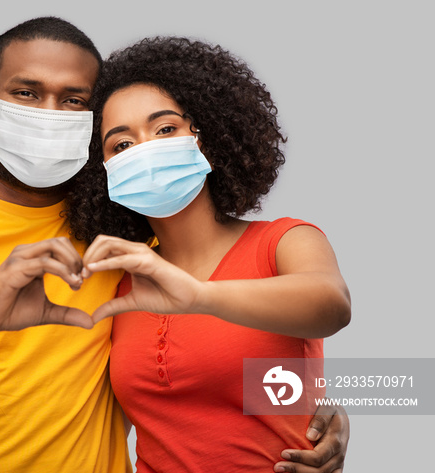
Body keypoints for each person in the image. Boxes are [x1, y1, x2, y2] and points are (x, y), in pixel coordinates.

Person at [0, 17, 348, 472]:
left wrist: (317, 405)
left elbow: (264, 327)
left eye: (73, 101)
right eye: (26, 92)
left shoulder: (121, 238)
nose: (48, 114)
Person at [63, 36, 352, 472]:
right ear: (101, 172)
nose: (145, 150)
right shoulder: (119, 284)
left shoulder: (283, 242)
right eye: (121, 145)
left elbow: (332, 306)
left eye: (165, 130)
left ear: (206, 137)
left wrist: (200, 296)